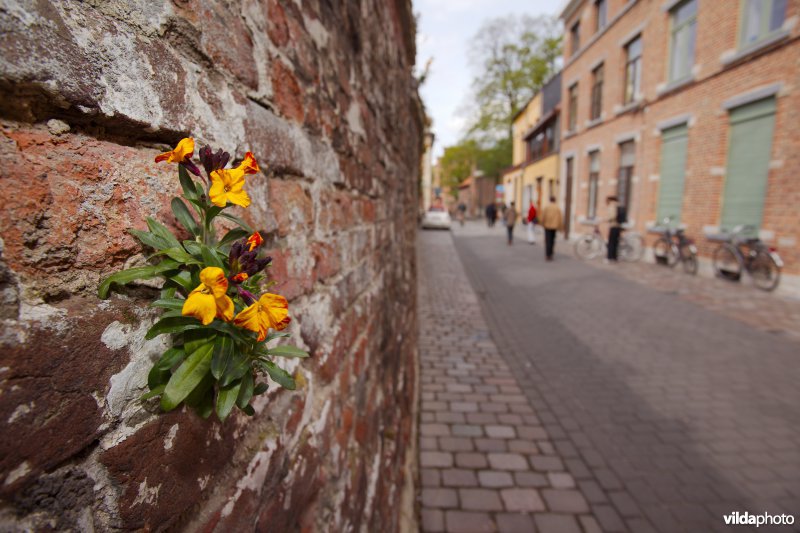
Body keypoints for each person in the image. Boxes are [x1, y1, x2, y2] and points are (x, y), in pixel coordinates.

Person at [540, 196, 562, 261]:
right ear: (555, 200)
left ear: (550, 200)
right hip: (554, 226)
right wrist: (560, 226)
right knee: (552, 240)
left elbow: (543, 216)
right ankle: (551, 253)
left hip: (547, 226)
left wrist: (542, 223)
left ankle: (547, 254)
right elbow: (560, 218)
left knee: (548, 240)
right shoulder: (557, 208)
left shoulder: (547, 207)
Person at [606, 196, 625, 262]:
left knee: (611, 242)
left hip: (613, 226)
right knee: (615, 243)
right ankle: (614, 257)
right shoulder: (618, 205)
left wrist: (605, 219)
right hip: (618, 226)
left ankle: (609, 257)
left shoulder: (612, 206)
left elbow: (612, 216)